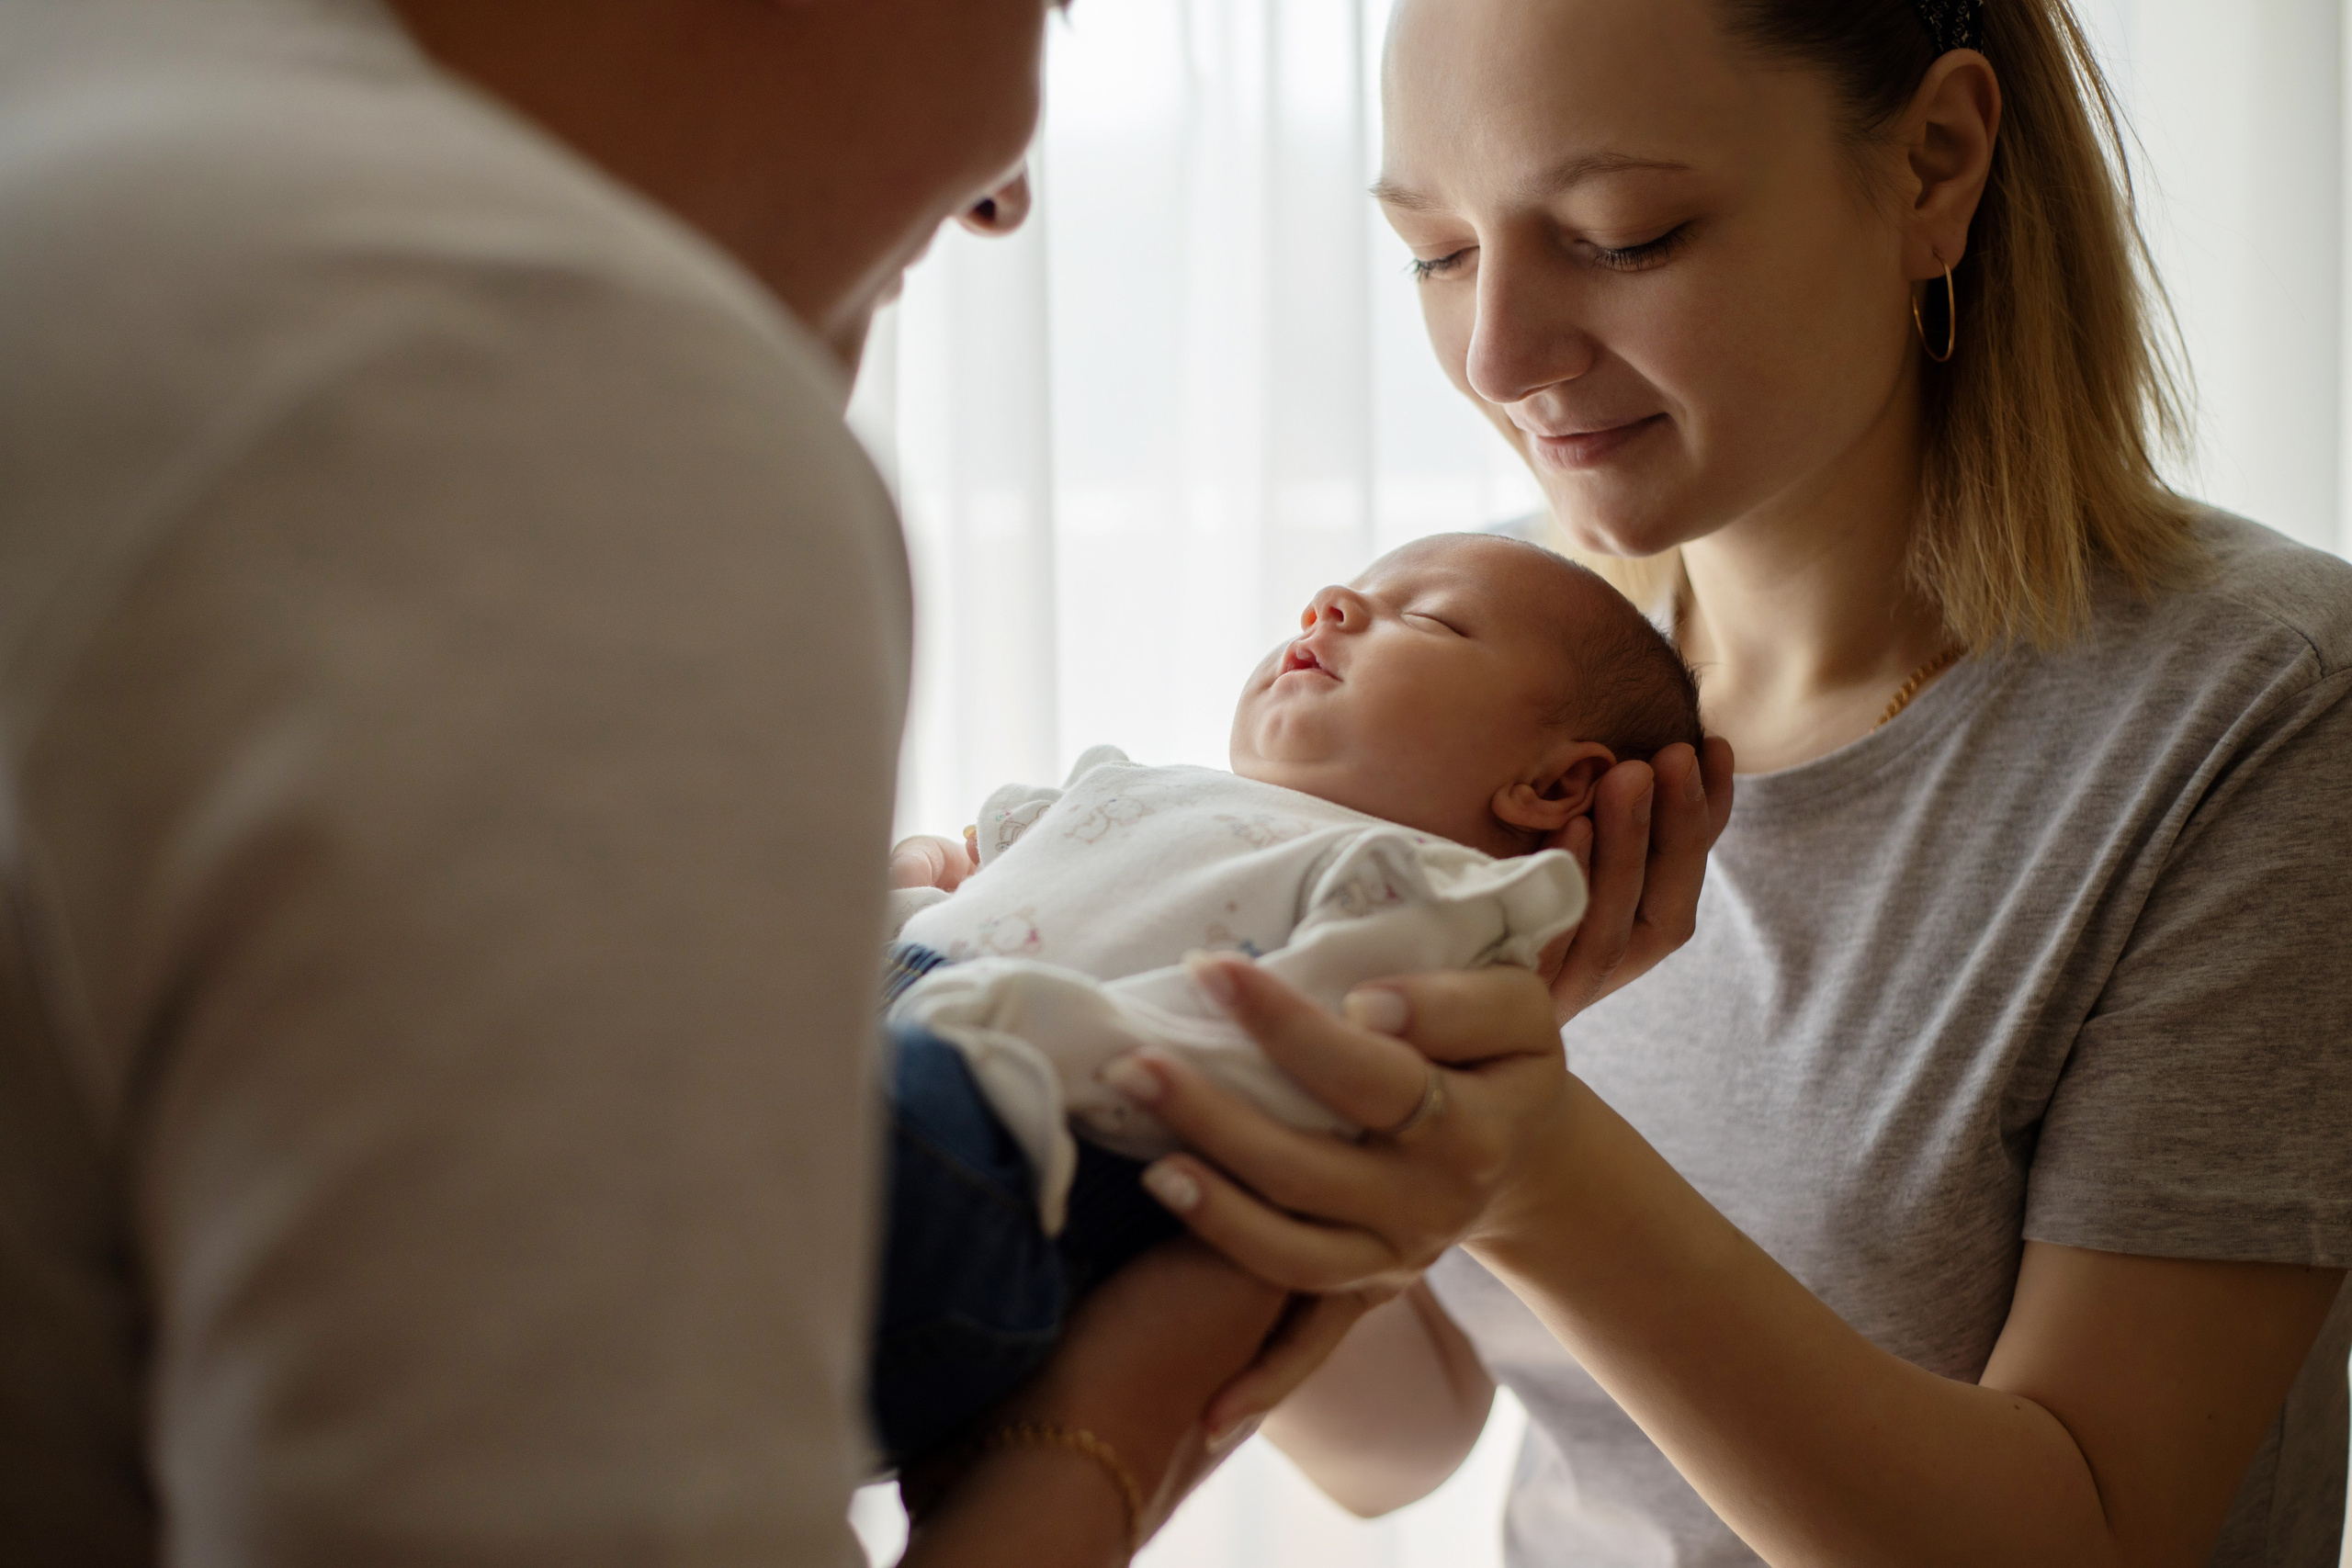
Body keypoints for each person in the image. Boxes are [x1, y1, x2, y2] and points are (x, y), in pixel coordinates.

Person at [16, 1, 1730, 1563]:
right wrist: (1100, 1440)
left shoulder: (82, 118)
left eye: (1627, 234)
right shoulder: (533, 384)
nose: (1007, 198)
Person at [1097, 1, 2352, 1565]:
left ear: (1934, 166)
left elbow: (2094, 1535)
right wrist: (1186, 1071)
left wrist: (1542, 1166)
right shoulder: (1514, 698)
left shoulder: (2259, 713)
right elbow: (1400, 1439)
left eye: (1627, 235)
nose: (1499, 358)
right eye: (1437, 250)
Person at [870, 534, 1701, 1463]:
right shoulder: (1145, 787)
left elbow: (1292, 1071)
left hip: (1004, 1155)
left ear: (1553, 784)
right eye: (1342, 595)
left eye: (1427, 619)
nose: (1331, 601)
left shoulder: (1410, 888)